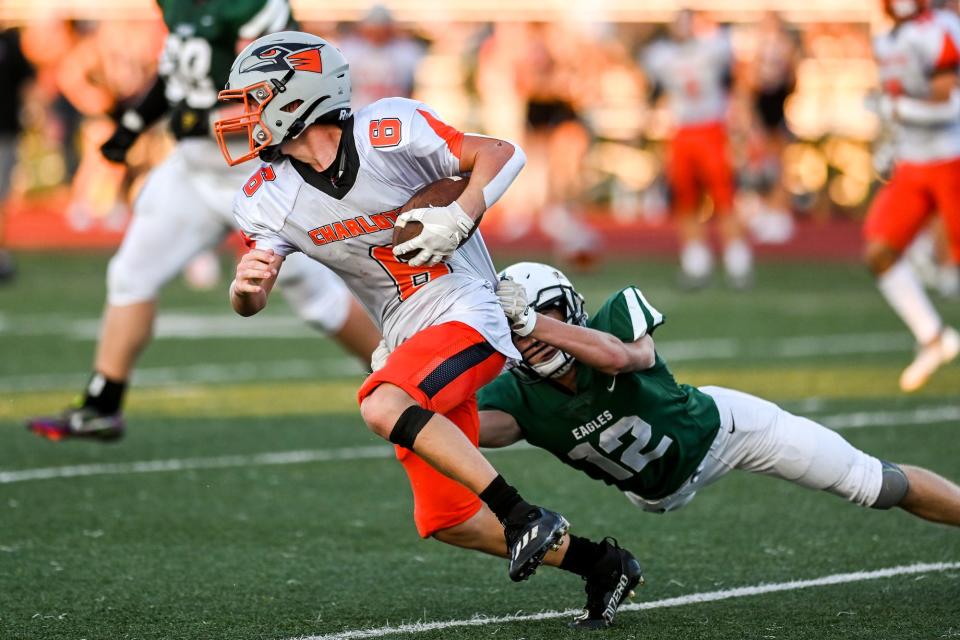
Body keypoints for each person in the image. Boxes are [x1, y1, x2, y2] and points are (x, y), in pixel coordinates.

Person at [220, 31, 641, 626]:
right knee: (449, 519)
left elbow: (503, 152)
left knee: (381, 404)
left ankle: (522, 514)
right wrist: (247, 289)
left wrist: (461, 214)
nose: (245, 113)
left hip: (466, 310)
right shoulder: (268, 196)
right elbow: (251, 301)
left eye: (256, 97)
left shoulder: (388, 130)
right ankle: (602, 565)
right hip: (407, 336)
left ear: (299, 95)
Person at [26, 0, 380, 442]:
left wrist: (210, 118)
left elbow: (287, 81)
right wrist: (135, 124)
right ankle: (102, 403)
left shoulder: (254, 6)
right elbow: (177, 74)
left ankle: (409, 381)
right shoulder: (178, 6)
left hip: (253, 166)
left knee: (318, 297)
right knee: (132, 274)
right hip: (193, 168)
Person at [477, 261, 960, 534]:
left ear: (573, 308)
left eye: (547, 315)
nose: (532, 337)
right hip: (653, 493)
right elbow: (459, 431)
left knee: (875, 484)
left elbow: (622, 358)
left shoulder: (614, 319)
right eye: (516, 329)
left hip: (728, 434)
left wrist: (530, 319)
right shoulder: (513, 396)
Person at [866, 0, 960, 391]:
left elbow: (950, 104)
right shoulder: (885, 36)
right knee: (880, 252)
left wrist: (896, 108)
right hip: (913, 163)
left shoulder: (939, 27)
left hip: (952, 158)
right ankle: (933, 338)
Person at [643, 10, 753, 289]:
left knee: (723, 195)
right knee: (686, 198)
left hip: (710, 129)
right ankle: (695, 259)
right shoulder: (661, 54)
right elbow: (650, 82)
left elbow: (736, 72)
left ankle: (737, 259)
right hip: (681, 131)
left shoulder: (713, 47)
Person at [0, 26, 35, 283]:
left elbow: (28, 81)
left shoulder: (10, 41)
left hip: (5, 131)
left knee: (1, 197)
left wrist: (33, 111)